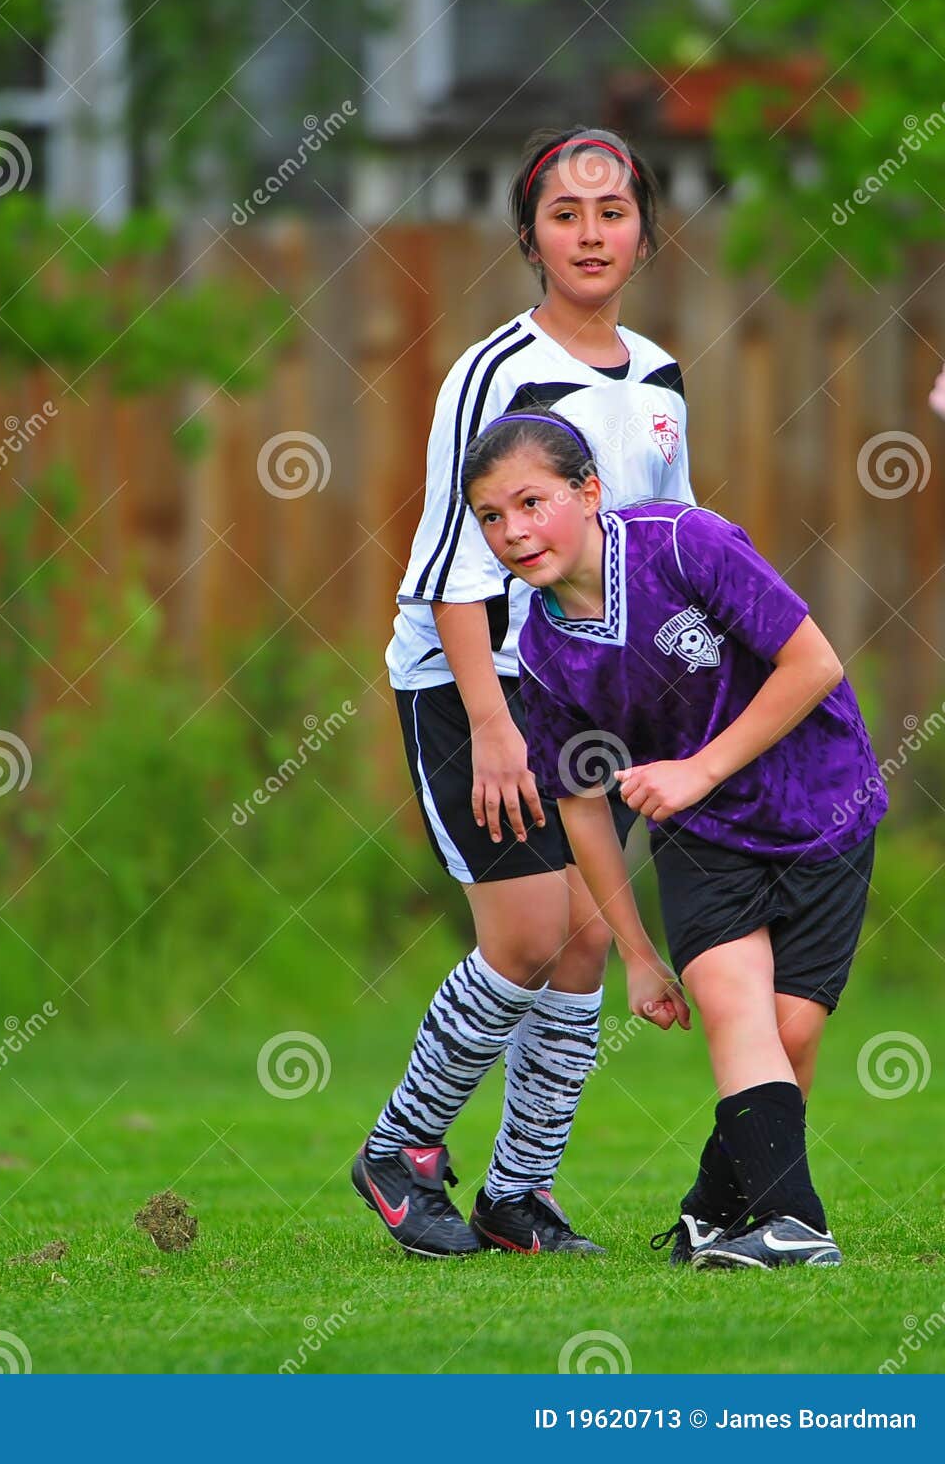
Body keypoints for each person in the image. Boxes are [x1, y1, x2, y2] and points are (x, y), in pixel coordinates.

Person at [355, 128, 693, 1258]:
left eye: (611, 211)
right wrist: (493, 729)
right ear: (529, 236)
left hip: (578, 690)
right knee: (531, 928)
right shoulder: (496, 368)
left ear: (644, 229)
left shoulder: (656, 378)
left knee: (591, 938)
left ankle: (518, 1198)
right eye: (564, 213)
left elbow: (664, 547)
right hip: (471, 683)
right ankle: (399, 1150)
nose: (590, 233)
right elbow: (451, 564)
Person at [462, 408, 887, 1269]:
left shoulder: (685, 544)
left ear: (590, 492)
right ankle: (793, 1226)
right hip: (705, 840)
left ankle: (711, 1213)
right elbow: (581, 804)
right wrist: (637, 952)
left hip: (825, 806)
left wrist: (697, 767)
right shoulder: (541, 651)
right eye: (491, 518)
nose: (514, 532)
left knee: (790, 1035)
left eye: (532, 502)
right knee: (737, 1014)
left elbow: (815, 666)